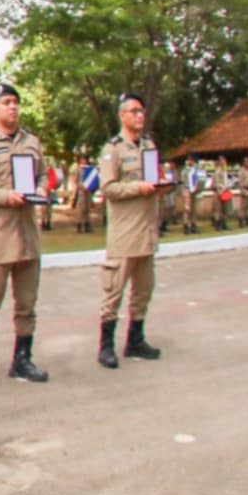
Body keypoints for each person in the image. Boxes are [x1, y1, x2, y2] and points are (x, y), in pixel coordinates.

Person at [0, 83, 50, 391]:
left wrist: (41, 188)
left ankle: (22, 359)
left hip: (28, 235)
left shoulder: (31, 141)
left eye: (16, 102)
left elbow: (42, 173)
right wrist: (7, 196)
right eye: (6, 102)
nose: (13, 107)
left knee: (27, 304)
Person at [97, 93, 164, 368]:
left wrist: (160, 183)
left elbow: (151, 178)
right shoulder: (113, 150)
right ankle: (106, 346)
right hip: (125, 234)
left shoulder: (148, 145)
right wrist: (138, 188)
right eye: (134, 111)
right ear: (122, 115)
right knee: (114, 291)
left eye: (142, 111)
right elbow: (108, 188)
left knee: (144, 289)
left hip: (146, 230)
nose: (140, 116)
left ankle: (135, 340)